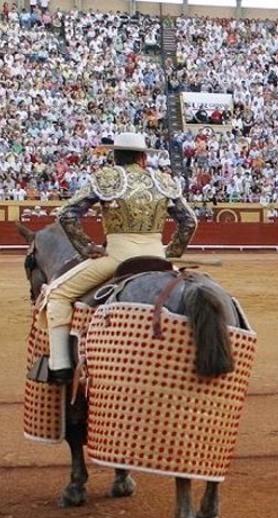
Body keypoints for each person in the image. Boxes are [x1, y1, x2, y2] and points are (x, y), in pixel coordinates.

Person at [43, 132, 197, 383]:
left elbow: (66, 214)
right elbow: (189, 221)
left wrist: (86, 248)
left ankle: (59, 365)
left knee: (57, 294)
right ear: (143, 157)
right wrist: (171, 252)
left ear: (115, 156)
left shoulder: (106, 178)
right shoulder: (163, 180)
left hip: (117, 258)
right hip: (159, 259)